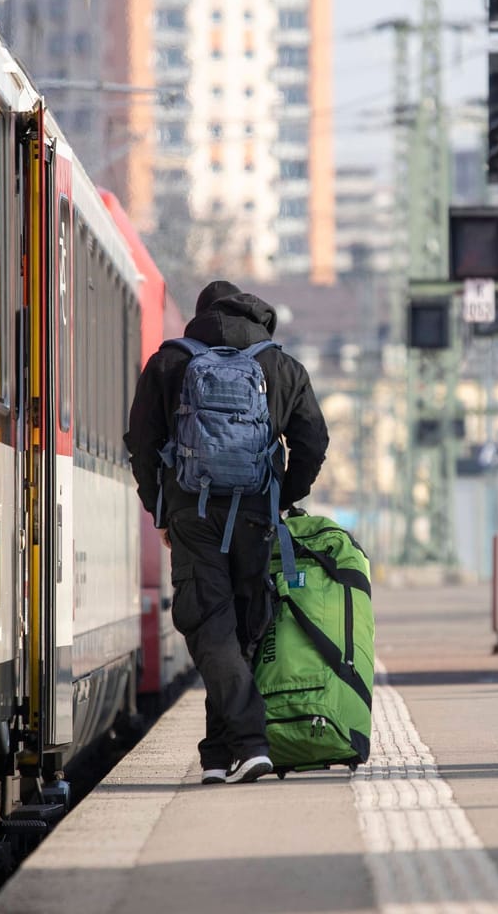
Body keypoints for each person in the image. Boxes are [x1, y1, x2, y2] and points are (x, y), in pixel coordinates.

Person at [126, 281, 329, 785]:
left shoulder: (170, 362)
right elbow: (313, 441)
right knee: (240, 627)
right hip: (257, 513)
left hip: (193, 515)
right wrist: (284, 497)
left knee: (208, 623)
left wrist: (160, 509)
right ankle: (219, 755)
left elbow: (142, 441)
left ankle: (246, 742)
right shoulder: (280, 365)